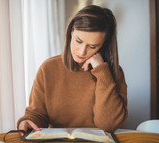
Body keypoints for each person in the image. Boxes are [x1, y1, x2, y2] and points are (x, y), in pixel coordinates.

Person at [17, 5, 127, 134]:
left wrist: (101, 71)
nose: (82, 51)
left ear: (103, 45)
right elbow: (37, 114)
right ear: (71, 33)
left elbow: (108, 125)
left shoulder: (113, 72)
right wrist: (28, 120)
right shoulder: (48, 68)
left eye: (92, 46)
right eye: (78, 41)